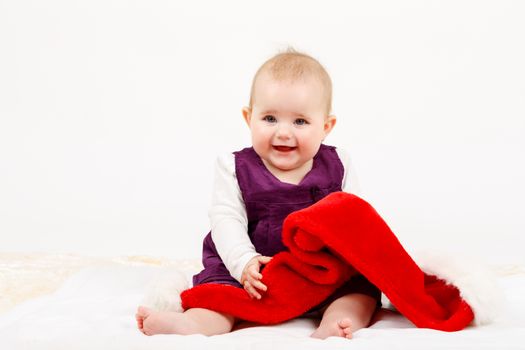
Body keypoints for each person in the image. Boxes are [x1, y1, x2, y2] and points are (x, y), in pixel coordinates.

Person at [136, 49, 381, 339]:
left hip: (316, 272)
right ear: (248, 118)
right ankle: (195, 324)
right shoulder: (234, 167)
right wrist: (243, 262)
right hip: (252, 275)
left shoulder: (338, 163)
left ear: (326, 127)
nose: (283, 133)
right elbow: (225, 219)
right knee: (220, 296)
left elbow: (357, 217)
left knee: (361, 291)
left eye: (300, 121)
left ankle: (338, 320)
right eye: (270, 118)